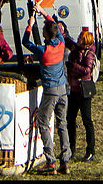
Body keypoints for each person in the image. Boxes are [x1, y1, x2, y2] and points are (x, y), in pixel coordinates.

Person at [32, 15, 72, 175]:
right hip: (63, 89)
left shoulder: (43, 50)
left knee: (42, 122)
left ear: (46, 34)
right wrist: (44, 13)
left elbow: (25, 42)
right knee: (62, 124)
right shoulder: (61, 44)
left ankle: (50, 161)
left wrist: (29, 26)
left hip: (50, 91)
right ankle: (65, 160)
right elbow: (58, 29)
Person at [67, 26, 100, 163]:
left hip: (84, 90)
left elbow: (87, 70)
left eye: (80, 38)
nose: (78, 39)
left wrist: (72, 66)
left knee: (87, 120)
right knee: (70, 119)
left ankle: (90, 150)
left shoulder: (89, 53)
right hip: (74, 89)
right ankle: (71, 149)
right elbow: (67, 40)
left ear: (85, 41)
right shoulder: (76, 49)